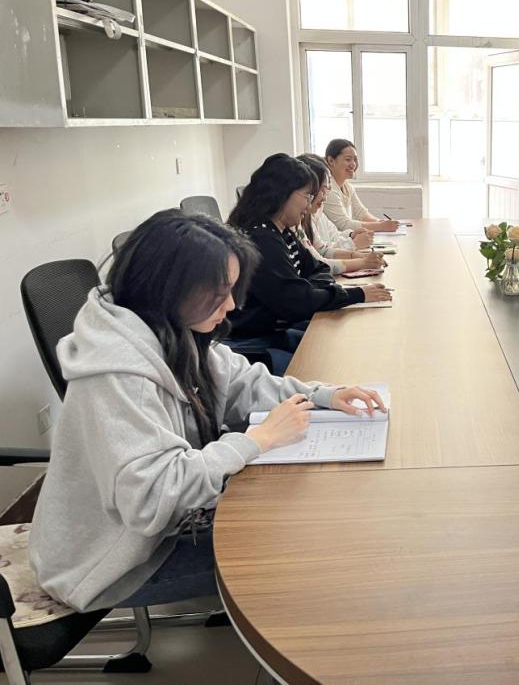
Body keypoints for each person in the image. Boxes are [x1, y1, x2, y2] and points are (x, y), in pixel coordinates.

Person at [29, 209, 387, 612]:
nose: (231, 305)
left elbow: (242, 382)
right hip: (112, 563)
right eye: (220, 293)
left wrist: (322, 395)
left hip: (160, 529)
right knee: (302, 550)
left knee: (312, 515)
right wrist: (256, 441)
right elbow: (153, 499)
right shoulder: (119, 375)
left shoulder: (168, 329)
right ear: (170, 287)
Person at [225, 154, 391, 374]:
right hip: (250, 344)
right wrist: (357, 294)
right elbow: (296, 302)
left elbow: (318, 268)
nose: (308, 204)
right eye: (307, 195)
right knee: (322, 368)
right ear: (283, 193)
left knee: (334, 346)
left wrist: (308, 291)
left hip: (272, 331)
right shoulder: (261, 239)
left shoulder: (280, 232)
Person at [295, 153, 386, 275]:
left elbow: (323, 250)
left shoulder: (306, 218)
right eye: (323, 189)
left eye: (327, 189)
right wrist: (362, 262)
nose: (325, 197)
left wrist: (356, 255)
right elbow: (319, 264)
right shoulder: (295, 223)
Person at [322, 139, 401, 233]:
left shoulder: (348, 187)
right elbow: (344, 224)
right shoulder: (327, 189)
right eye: (348, 159)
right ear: (331, 161)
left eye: (355, 159)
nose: (353, 164)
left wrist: (380, 222)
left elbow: (361, 214)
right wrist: (381, 226)